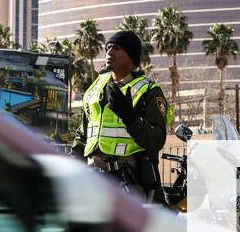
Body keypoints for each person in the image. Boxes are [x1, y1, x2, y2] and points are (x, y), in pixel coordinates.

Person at [71, 30, 173, 202]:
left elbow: (156, 140)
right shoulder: (96, 86)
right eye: (108, 47)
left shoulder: (148, 90)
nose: (109, 52)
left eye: (117, 48)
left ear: (131, 57)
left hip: (129, 182)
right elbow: (84, 133)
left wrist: (129, 117)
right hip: (93, 178)